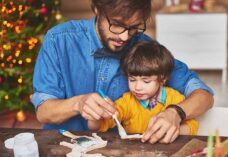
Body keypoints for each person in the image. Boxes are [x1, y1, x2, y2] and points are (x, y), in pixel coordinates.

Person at [32, 0, 214, 144]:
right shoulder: (59, 40)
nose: (125, 37)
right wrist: (78, 103)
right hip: (60, 147)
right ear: (97, 8)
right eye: (117, 25)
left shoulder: (146, 50)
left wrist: (176, 112)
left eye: (134, 27)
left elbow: (204, 95)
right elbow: (43, 112)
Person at [88, 41, 199, 138]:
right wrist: (96, 116)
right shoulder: (127, 101)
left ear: (163, 78)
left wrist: (170, 132)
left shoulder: (175, 98)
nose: (137, 87)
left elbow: (192, 126)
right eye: (132, 80)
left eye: (146, 81)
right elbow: (100, 125)